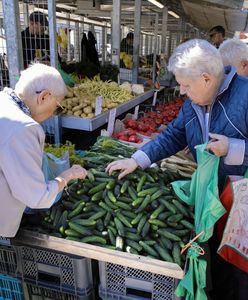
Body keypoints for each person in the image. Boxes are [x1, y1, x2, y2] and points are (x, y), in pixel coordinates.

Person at [106, 39, 248, 300]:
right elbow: (173, 135)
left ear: (206, 78)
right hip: (209, 201)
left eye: (185, 85)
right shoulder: (193, 103)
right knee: (213, 266)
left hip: (241, 210)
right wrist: (137, 159)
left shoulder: (245, 95)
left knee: (238, 276)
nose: (181, 91)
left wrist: (234, 147)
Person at [0, 64, 87, 237]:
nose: (53, 113)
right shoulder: (24, 128)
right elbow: (37, 197)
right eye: (57, 106)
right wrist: (67, 175)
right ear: (44, 96)